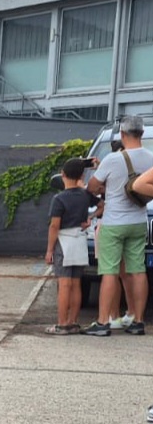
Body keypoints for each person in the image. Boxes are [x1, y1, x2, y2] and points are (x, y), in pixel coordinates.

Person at [87, 116, 152, 335]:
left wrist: (104, 187)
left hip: (114, 222)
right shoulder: (151, 158)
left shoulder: (112, 159)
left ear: (122, 135)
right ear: (141, 134)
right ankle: (138, 321)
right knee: (137, 270)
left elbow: (93, 187)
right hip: (138, 221)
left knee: (109, 272)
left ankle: (103, 322)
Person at [45, 158, 95, 334]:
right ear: (82, 175)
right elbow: (102, 204)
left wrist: (50, 250)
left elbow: (54, 226)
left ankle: (62, 323)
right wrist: (91, 217)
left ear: (63, 175)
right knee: (76, 284)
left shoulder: (59, 199)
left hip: (64, 242)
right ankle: (73, 322)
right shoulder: (85, 195)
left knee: (64, 284)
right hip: (80, 240)